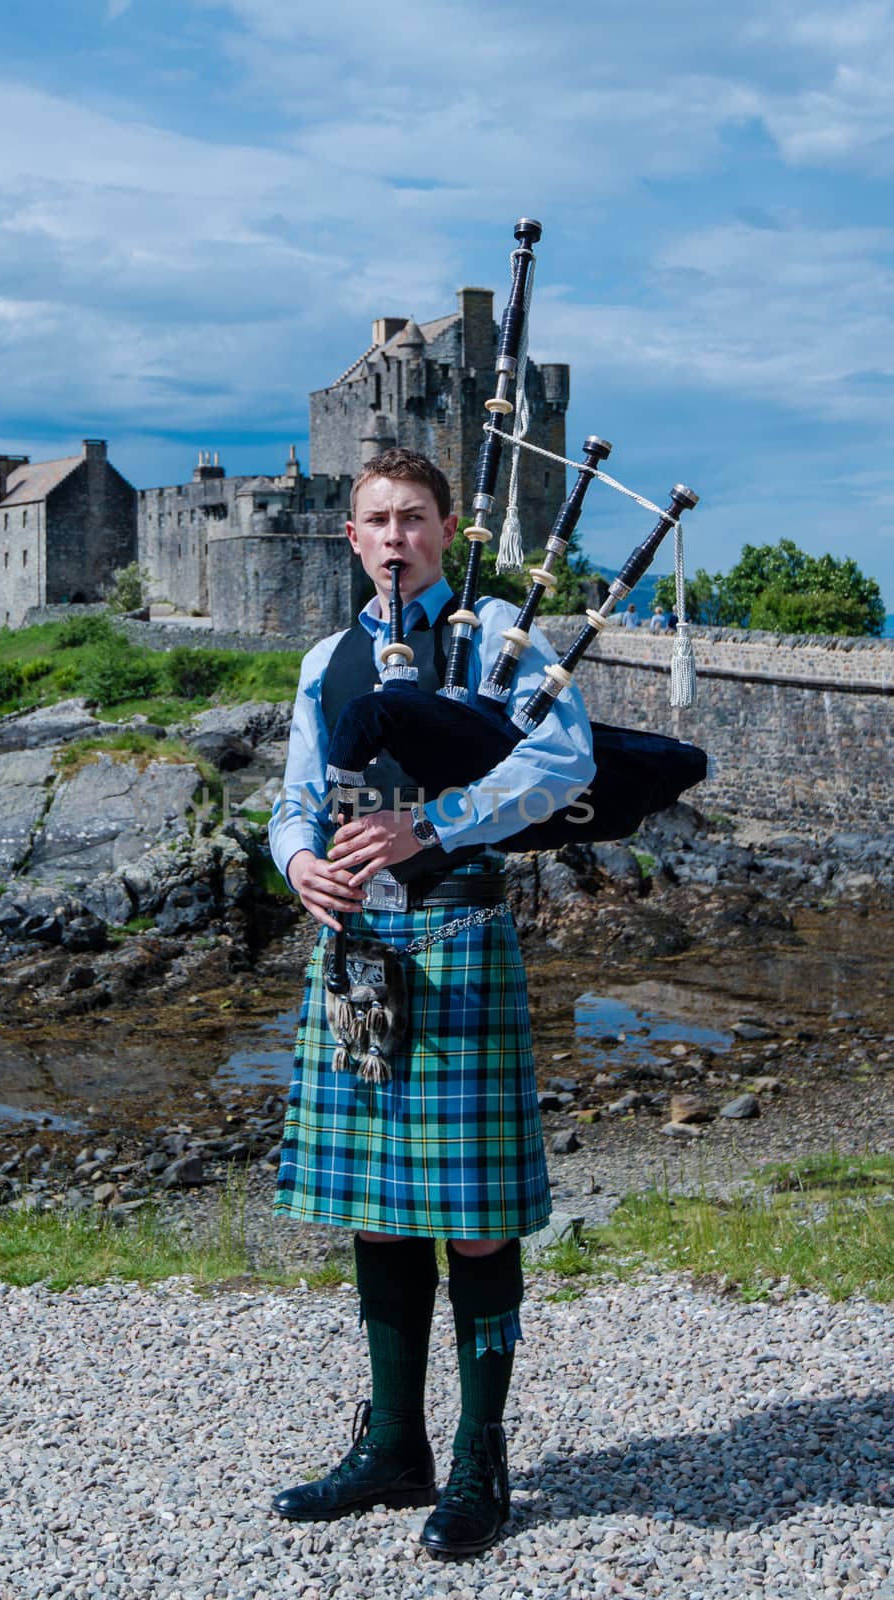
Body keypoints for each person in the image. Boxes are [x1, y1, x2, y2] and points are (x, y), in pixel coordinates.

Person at [267, 448, 595, 1558]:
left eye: (414, 516)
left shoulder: (501, 636)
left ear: (447, 530)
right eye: (376, 520)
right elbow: (296, 797)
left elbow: (563, 761)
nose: (395, 535)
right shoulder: (327, 658)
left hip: (457, 930)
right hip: (357, 944)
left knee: (474, 1211)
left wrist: (437, 826)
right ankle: (394, 1447)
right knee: (376, 1200)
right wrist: (299, 863)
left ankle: (479, 1461)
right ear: (351, 538)